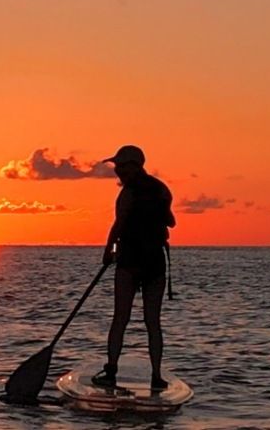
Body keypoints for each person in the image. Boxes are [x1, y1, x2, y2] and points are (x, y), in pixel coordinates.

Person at [92, 145, 176, 391]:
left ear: (134, 166)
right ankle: (156, 376)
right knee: (153, 322)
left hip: (130, 262)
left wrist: (109, 251)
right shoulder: (162, 190)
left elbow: (118, 225)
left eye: (121, 166)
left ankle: (111, 372)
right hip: (155, 262)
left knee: (120, 319)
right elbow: (171, 221)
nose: (117, 170)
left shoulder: (127, 194)